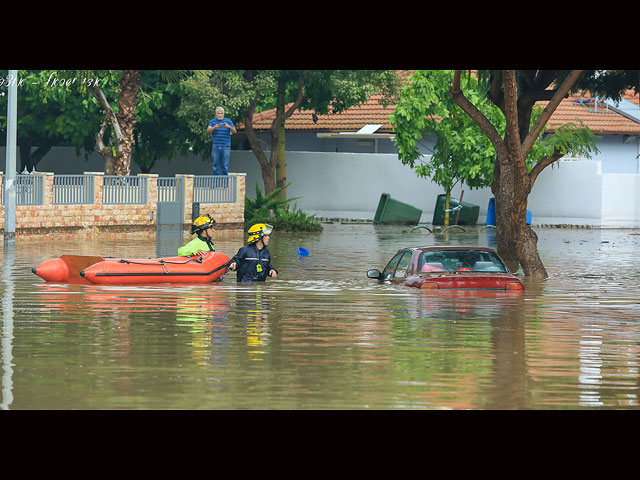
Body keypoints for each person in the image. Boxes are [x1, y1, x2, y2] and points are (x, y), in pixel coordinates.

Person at [207, 106, 237, 176]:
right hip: (216, 146)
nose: (220, 115)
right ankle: (215, 184)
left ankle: (224, 185)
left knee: (225, 166)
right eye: (218, 113)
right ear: (216, 114)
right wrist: (215, 127)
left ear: (223, 114)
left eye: (221, 113)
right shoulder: (213, 121)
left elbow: (235, 131)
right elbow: (208, 130)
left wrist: (229, 127)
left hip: (225, 146)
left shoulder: (228, 121)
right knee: (215, 165)